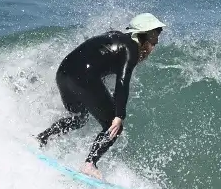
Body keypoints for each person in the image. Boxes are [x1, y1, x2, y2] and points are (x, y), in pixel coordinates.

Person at [35, 13, 166, 179]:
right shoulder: (131, 48)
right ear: (142, 34)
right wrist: (119, 115)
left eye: (158, 34)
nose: (156, 41)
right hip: (84, 77)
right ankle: (90, 164)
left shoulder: (115, 37)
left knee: (79, 118)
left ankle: (42, 138)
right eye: (154, 35)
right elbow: (122, 82)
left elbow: (95, 60)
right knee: (113, 126)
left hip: (63, 73)